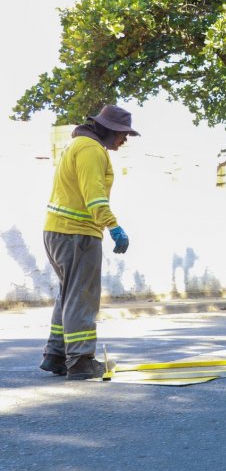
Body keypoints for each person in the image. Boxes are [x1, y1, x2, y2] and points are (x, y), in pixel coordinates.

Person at [39, 105, 139, 380]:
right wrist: (114, 226)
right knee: (82, 296)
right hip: (77, 234)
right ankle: (81, 361)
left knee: (69, 294)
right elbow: (94, 195)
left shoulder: (79, 145)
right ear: (110, 130)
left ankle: (56, 354)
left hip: (59, 231)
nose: (124, 140)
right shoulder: (91, 150)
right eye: (123, 134)